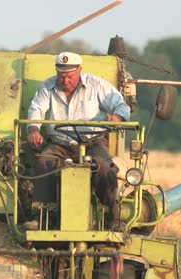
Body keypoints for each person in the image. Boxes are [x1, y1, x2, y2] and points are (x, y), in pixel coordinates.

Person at [23, 51, 130, 230]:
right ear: (56, 72)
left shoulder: (97, 85)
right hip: (60, 143)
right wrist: (34, 129)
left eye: (70, 77)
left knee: (103, 165)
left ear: (80, 70)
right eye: (61, 76)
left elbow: (121, 105)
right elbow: (36, 110)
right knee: (44, 162)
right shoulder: (47, 87)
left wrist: (117, 118)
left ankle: (113, 217)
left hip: (93, 142)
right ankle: (42, 218)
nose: (65, 81)